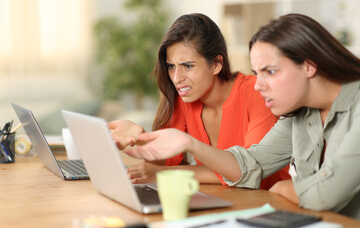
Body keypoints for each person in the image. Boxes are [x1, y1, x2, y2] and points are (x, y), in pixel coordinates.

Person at [124, 13, 360, 220]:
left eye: (270, 71)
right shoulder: (301, 111)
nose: (258, 85)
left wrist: (285, 187)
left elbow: (324, 195)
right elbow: (248, 165)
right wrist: (189, 144)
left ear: (308, 66)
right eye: (257, 73)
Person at [109, 13, 290, 189]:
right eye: (171, 67)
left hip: (268, 201)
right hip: (226, 200)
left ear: (216, 64)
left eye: (188, 66)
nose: (177, 78)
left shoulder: (256, 92)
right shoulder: (185, 100)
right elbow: (165, 161)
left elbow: (247, 172)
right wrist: (139, 138)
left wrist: (164, 174)